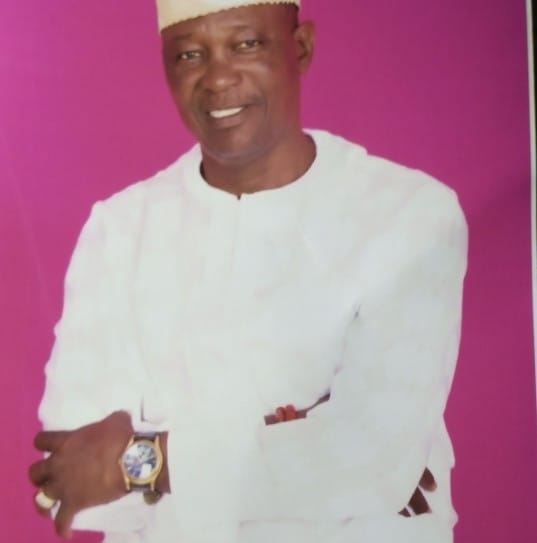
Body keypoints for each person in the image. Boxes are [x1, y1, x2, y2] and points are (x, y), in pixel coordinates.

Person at [28, 1, 468, 542]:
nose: (218, 78)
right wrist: (305, 452)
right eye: (190, 55)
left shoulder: (408, 214)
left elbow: (372, 462)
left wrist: (143, 461)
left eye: (246, 45)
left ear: (300, 49)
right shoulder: (119, 231)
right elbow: (72, 483)